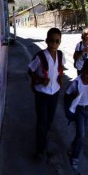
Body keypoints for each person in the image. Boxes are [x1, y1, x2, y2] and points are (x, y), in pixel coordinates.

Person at [27, 27, 65, 161]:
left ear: (60, 42)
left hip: (54, 93)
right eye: (52, 41)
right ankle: (39, 150)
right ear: (47, 41)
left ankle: (43, 140)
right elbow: (30, 70)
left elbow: (60, 69)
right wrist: (39, 79)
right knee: (42, 121)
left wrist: (60, 78)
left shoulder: (61, 55)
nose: (54, 44)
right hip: (42, 94)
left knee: (49, 120)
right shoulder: (40, 56)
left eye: (57, 41)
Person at [65, 58, 88, 171]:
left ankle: (73, 147)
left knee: (80, 135)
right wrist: (69, 110)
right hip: (79, 111)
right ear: (82, 70)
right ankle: (75, 158)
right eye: (87, 73)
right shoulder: (76, 83)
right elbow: (66, 95)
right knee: (81, 135)